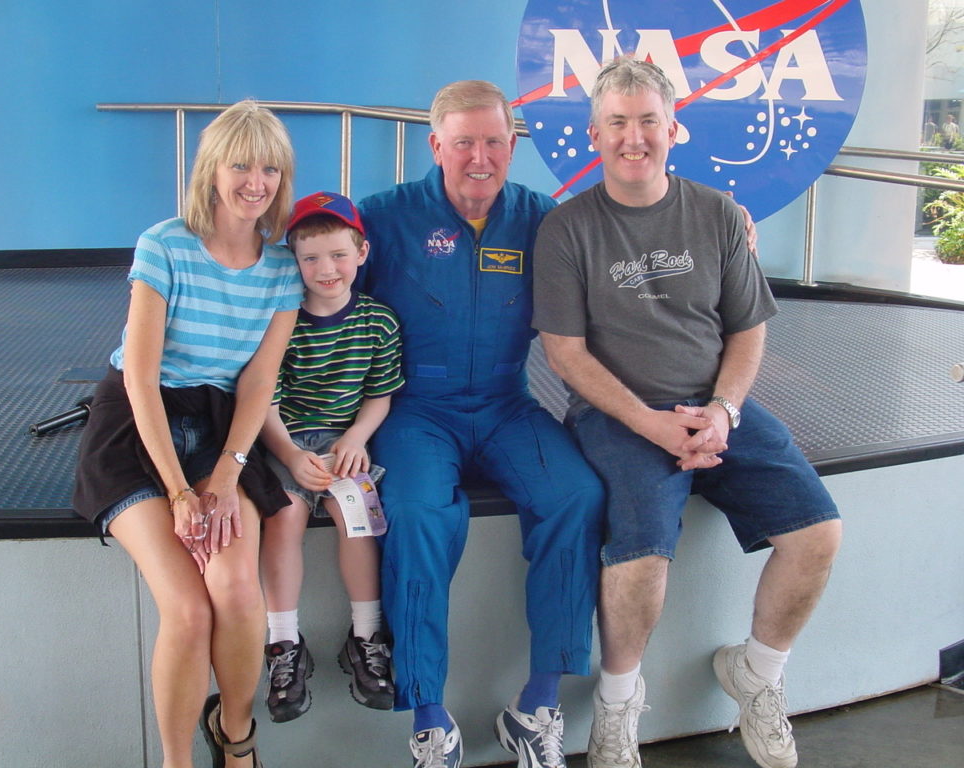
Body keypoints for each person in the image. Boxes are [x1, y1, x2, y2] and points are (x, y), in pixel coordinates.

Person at [532, 58, 842, 768]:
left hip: (716, 407)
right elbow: (567, 356)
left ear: (674, 128)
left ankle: (757, 674)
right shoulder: (567, 229)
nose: (632, 137)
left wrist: (725, 411)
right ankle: (616, 708)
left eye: (647, 121)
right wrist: (652, 424)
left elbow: (747, 329)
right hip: (619, 415)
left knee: (818, 532)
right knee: (641, 557)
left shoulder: (715, 214)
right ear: (593, 134)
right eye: (617, 122)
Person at [356, 80, 605, 768]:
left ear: (512, 144)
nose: (480, 156)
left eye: (494, 140)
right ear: (435, 145)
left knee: (577, 496)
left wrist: (717, 229)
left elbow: (615, 260)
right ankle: (431, 717)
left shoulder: (542, 221)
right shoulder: (382, 219)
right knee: (415, 511)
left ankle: (537, 706)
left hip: (505, 402)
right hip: (416, 410)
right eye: (463, 141)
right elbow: (315, 287)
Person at [72, 100, 302, 768]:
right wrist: (179, 492)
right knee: (189, 608)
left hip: (222, 425)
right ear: (211, 171)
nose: (254, 182)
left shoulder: (282, 268)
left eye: (269, 168)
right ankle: (176, 762)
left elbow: (259, 382)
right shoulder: (164, 244)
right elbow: (141, 379)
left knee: (234, 591)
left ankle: (234, 736)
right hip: (138, 426)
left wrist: (228, 475)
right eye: (240, 165)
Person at [258, 191, 403, 722]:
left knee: (359, 517)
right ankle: (282, 644)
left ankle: (365, 635)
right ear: (294, 259)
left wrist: (357, 439)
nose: (327, 269)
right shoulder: (283, 321)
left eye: (339, 255)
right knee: (285, 516)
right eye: (311, 257)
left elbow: (379, 394)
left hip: (344, 445)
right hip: (286, 440)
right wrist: (292, 455)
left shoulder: (378, 322)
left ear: (361, 253)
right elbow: (264, 403)